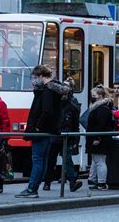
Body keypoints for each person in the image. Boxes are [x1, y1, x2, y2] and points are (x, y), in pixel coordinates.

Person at [15, 65, 69, 198]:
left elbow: (46, 111)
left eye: (35, 77)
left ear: (41, 76)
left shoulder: (47, 91)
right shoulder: (54, 90)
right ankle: (33, 188)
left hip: (41, 132)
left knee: (38, 160)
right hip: (50, 131)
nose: (34, 80)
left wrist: (37, 127)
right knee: (42, 160)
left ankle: (32, 188)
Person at [42, 77, 83, 192]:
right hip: (58, 133)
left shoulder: (72, 106)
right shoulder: (60, 104)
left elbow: (75, 125)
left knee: (65, 158)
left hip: (65, 134)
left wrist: (75, 139)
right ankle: (48, 182)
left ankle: (71, 181)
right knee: (53, 159)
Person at [86, 85, 114, 190]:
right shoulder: (102, 108)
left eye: (94, 95)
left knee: (99, 161)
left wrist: (97, 138)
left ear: (100, 96)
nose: (92, 97)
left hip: (99, 138)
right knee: (96, 160)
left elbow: (101, 126)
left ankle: (101, 182)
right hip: (99, 137)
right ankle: (94, 179)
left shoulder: (101, 109)